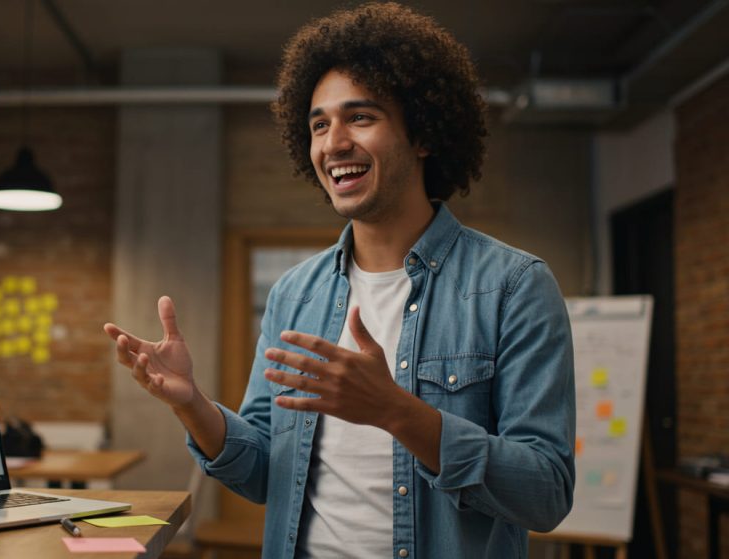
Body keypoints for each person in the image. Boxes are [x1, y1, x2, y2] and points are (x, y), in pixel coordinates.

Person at [103, 3, 575, 558]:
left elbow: (545, 492)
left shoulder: (513, 287)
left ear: (422, 134)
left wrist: (397, 411)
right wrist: (192, 405)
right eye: (319, 124)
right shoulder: (295, 294)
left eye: (361, 117)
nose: (333, 143)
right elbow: (262, 473)